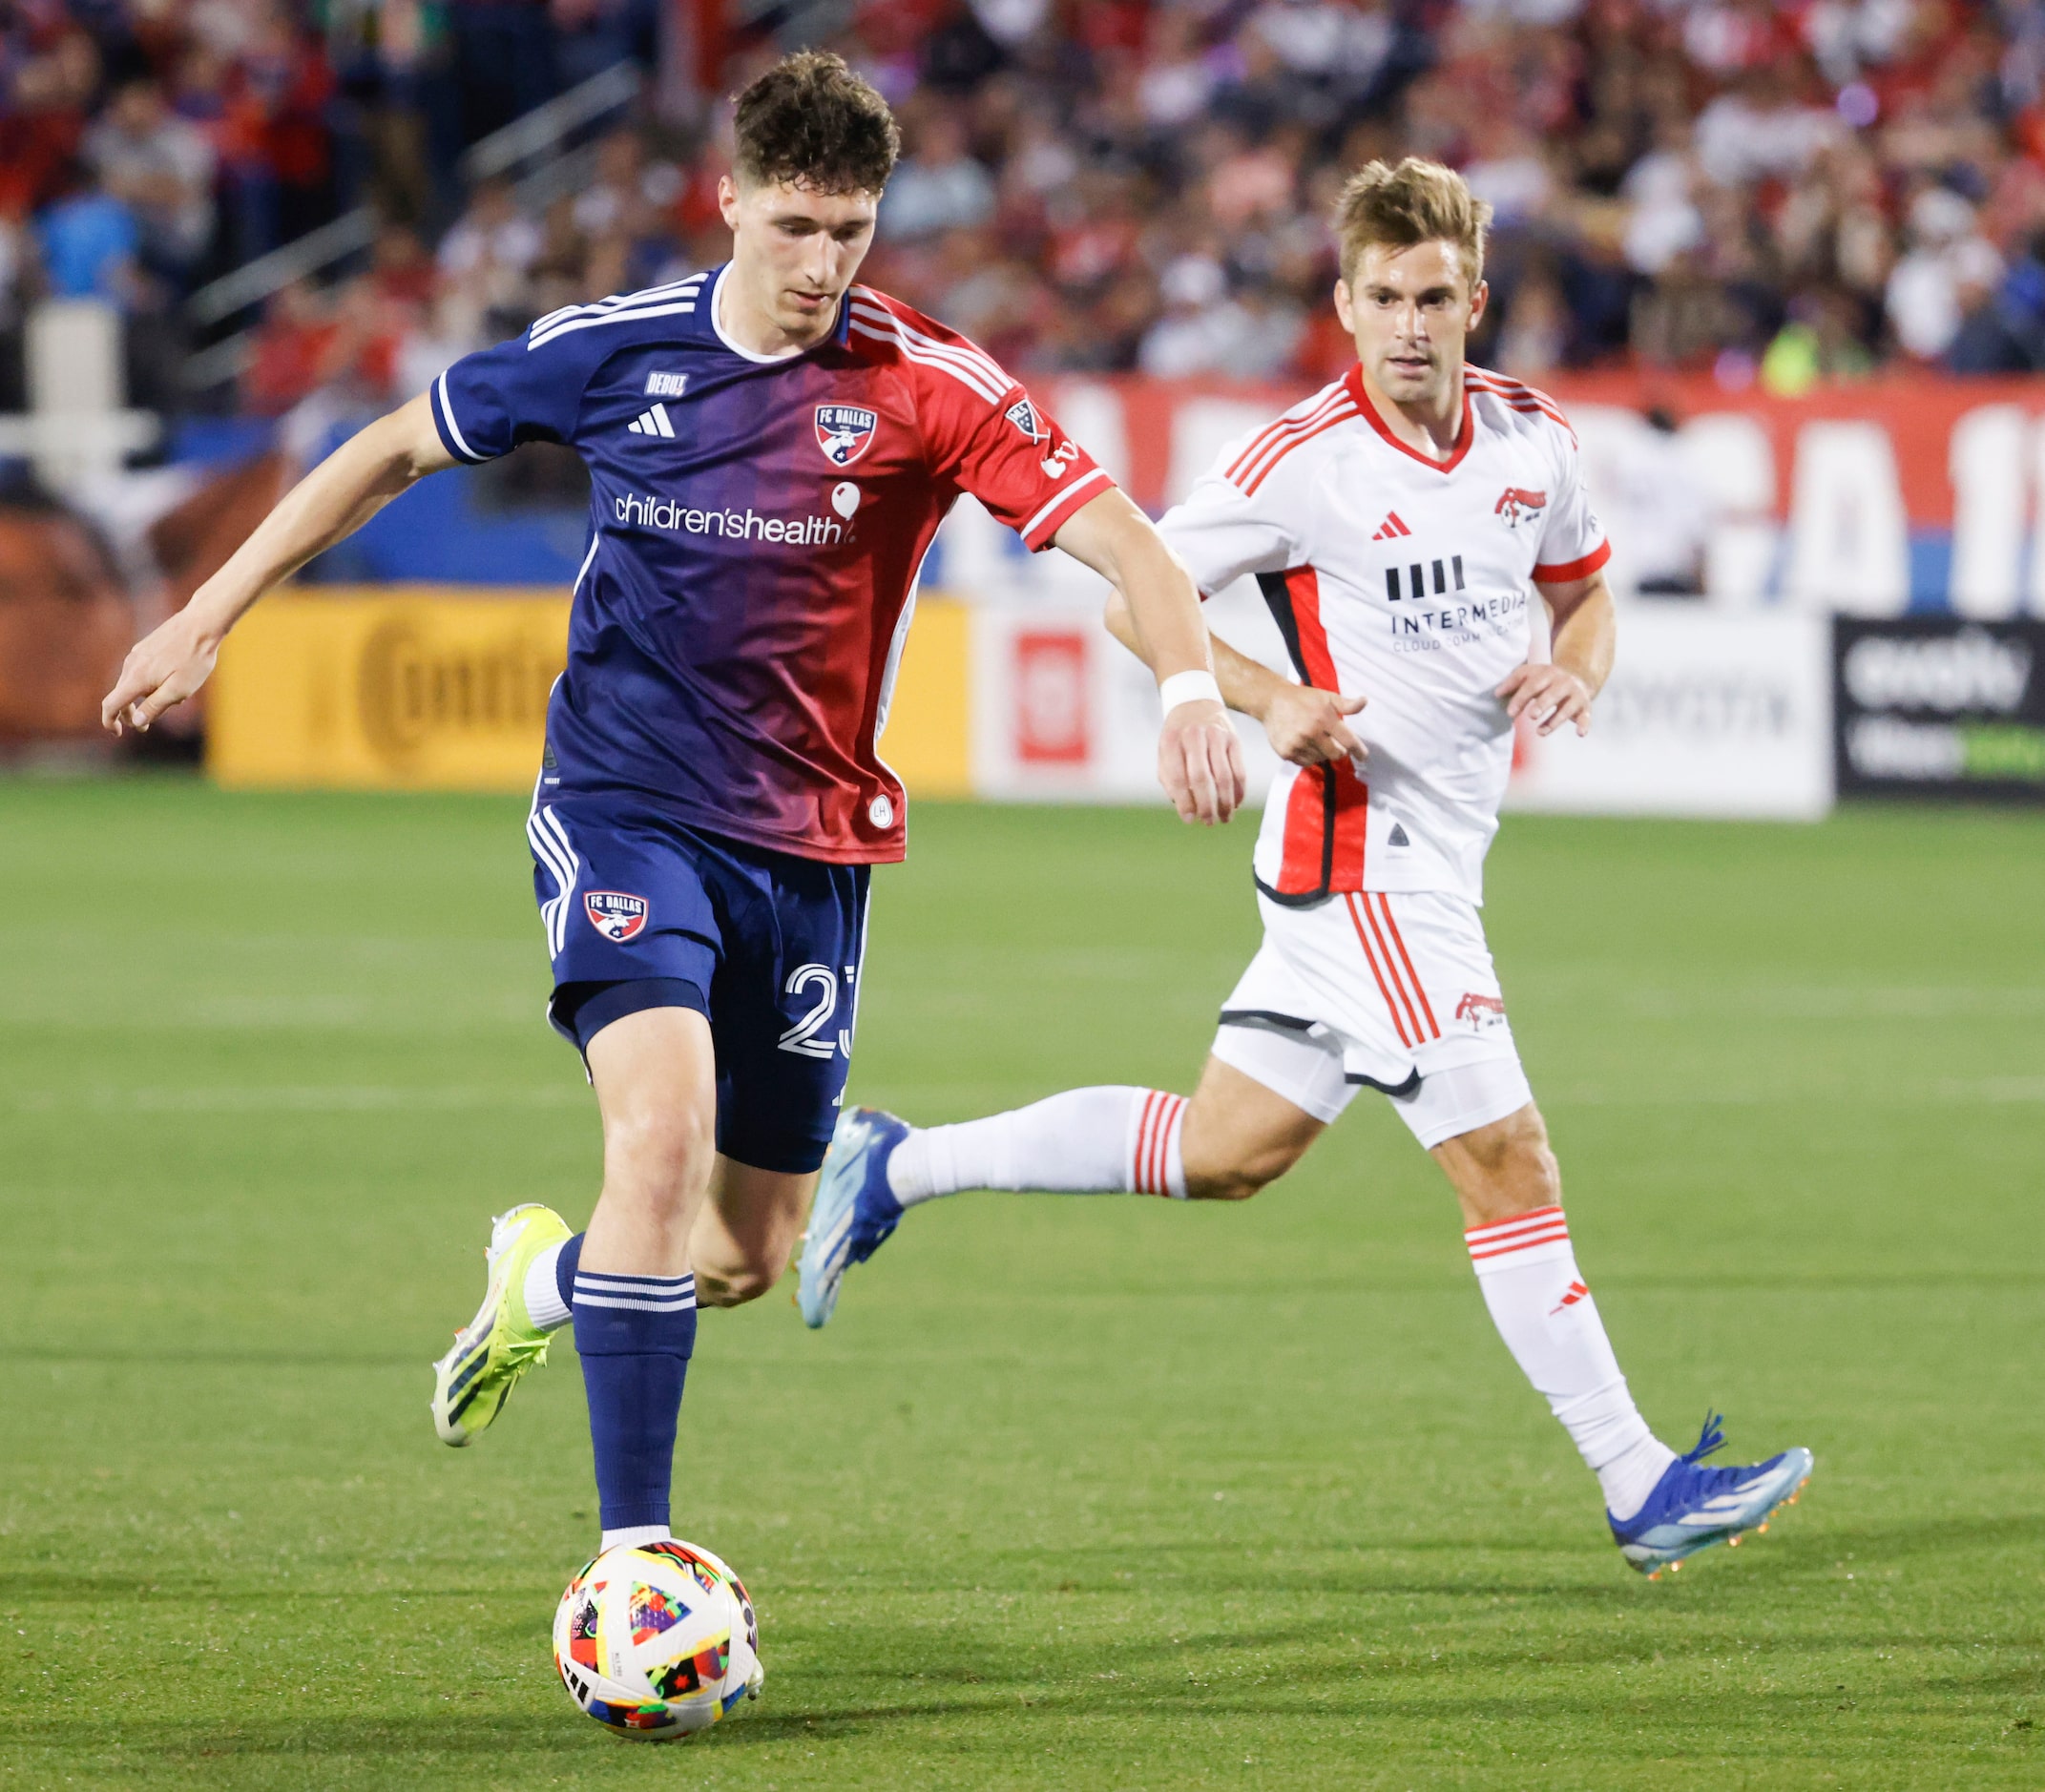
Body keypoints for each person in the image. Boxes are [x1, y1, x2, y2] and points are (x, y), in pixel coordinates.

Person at [99, 52, 1244, 1565]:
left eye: (850, 229)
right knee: (656, 1137)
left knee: (744, 1249)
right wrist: (208, 614)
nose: (822, 262)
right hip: (625, 805)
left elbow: (1135, 549)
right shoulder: (614, 352)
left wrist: (1189, 692)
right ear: (728, 204)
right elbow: (384, 448)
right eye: (792, 225)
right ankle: (634, 1561)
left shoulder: (927, 381)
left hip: (814, 850)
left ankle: (546, 1284)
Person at [799, 157, 1812, 1580]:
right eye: (1384, 297)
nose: (1411, 324)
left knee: (1227, 1153)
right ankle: (1639, 1478)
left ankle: (899, 1162)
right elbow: (1129, 597)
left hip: (1430, 865)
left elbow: (1584, 591)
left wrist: (1574, 671)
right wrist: (1264, 702)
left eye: (1436, 296)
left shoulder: (1532, 441)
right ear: (1345, 303)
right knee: (1507, 1158)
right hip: (1362, 862)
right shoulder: (1300, 464)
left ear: (1477, 299)